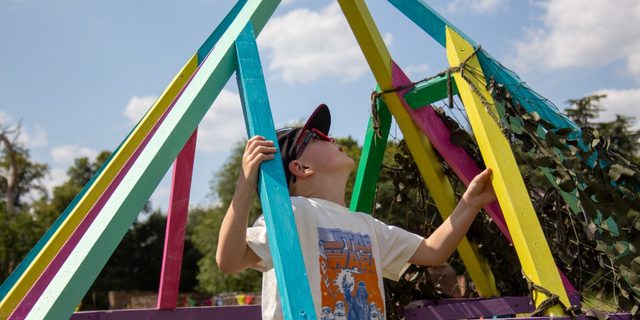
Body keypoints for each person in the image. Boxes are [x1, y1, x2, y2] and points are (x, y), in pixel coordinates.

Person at [216, 104, 496, 320]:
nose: (331, 137)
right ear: (301, 168)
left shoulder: (365, 225)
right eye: (318, 136)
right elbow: (229, 260)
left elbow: (432, 251)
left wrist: (470, 203)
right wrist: (245, 184)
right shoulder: (292, 212)